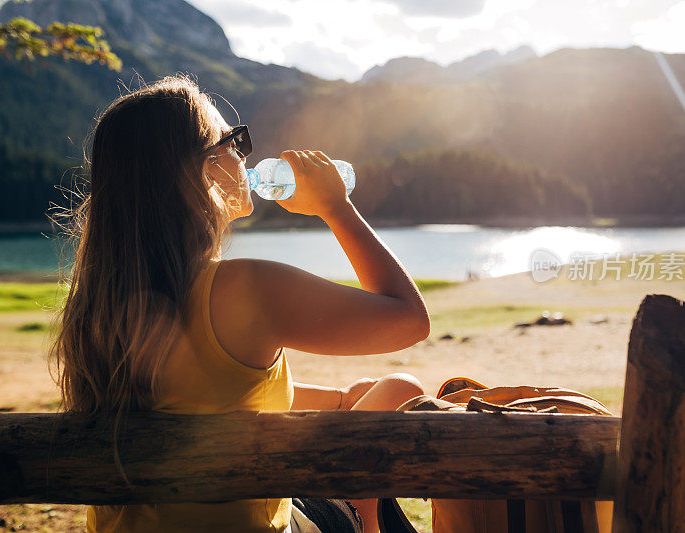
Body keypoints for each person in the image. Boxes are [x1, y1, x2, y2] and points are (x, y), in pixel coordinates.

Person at [50, 76, 430, 533]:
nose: (246, 155)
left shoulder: (99, 304)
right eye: (235, 141)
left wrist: (341, 398)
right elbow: (408, 318)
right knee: (402, 386)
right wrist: (336, 207)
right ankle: (363, 518)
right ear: (202, 169)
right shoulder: (245, 287)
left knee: (374, 392)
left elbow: (205, 396)